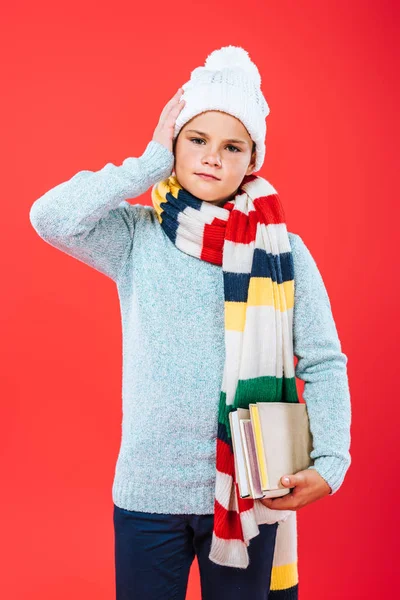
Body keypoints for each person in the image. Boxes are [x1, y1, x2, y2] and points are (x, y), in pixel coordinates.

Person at [29, 46, 352, 600]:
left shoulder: (285, 253)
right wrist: (147, 162)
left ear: (252, 161)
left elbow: (322, 360)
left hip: (251, 490)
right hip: (148, 490)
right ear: (174, 143)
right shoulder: (137, 235)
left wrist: (331, 461)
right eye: (196, 140)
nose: (212, 157)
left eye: (232, 146)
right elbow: (49, 217)